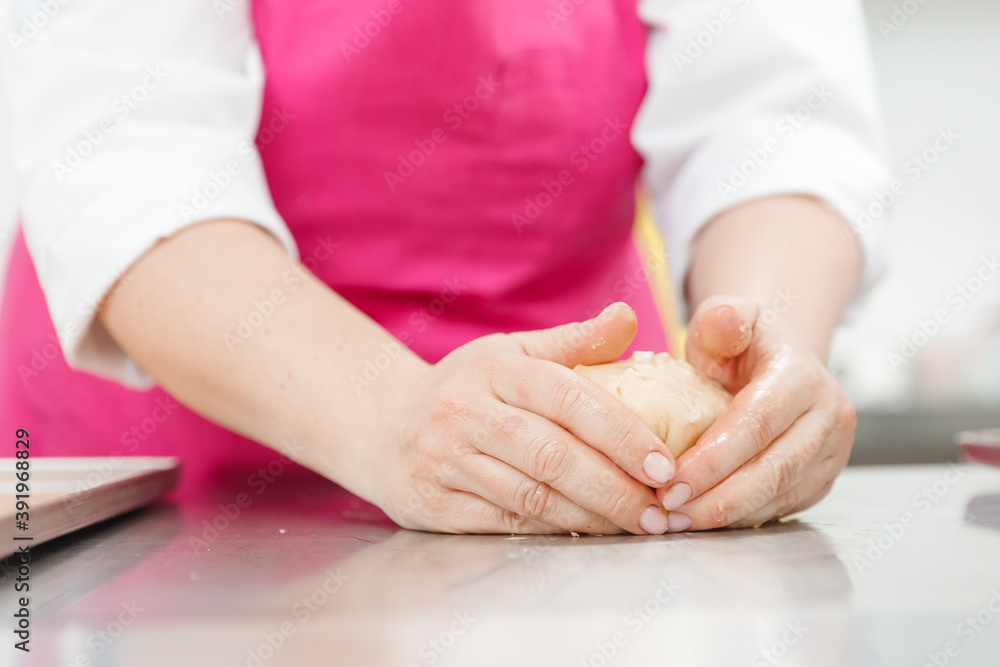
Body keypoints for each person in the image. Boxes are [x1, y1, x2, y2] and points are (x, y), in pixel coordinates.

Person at [0, 0, 889, 535]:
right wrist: (393, 419)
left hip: (590, 483)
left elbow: (772, 114)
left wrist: (759, 365)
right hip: (171, 509)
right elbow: (125, 152)